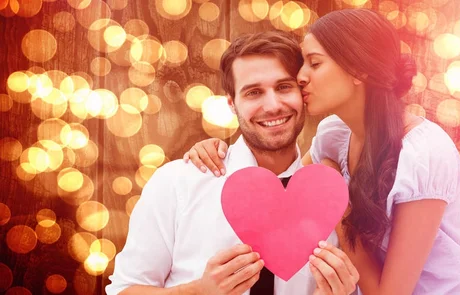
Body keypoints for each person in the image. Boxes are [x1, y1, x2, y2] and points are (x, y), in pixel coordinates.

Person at [183, 9, 460, 295]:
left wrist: (339, 205)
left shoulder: (423, 153)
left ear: (358, 69)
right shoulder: (334, 136)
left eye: (315, 63)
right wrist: (221, 150)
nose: (301, 76)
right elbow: (281, 187)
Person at [106, 30, 359, 295]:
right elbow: (124, 290)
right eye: (253, 93)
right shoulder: (178, 182)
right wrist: (197, 291)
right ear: (232, 104)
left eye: (284, 87)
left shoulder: (332, 200)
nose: (272, 106)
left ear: (302, 92)